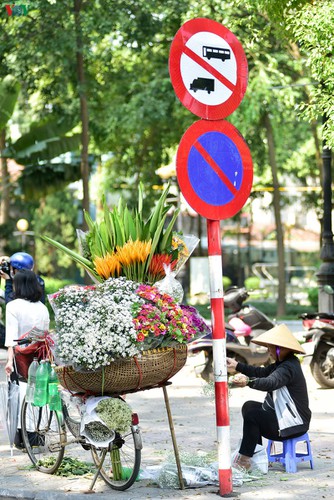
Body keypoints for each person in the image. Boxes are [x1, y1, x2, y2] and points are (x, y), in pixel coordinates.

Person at [226, 323, 311, 471]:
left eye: (271, 347)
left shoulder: (288, 367)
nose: (268, 350)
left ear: (281, 348)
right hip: (284, 417)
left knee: (253, 415)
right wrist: (237, 365)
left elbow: (271, 382)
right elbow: (261, 372)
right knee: (249, 406)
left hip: (293, 424)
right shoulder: (283, 363)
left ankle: (245, 459)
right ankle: (255, 454)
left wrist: (248, 381)